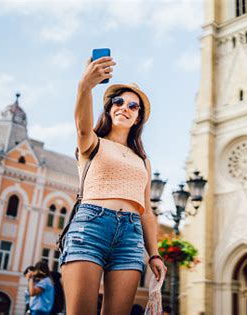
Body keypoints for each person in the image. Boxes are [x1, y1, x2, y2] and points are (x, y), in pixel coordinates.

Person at [59, 55, 167, 315]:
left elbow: (147, 212)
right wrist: (84, 87)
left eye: (133, 106)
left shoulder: (143, 160)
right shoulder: (92, 143)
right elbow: (82, 128)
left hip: (130, 236)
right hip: (90, 227)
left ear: (138, 118)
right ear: (108, 109)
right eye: (118, 102)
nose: (124, 107)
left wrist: (154, 254)